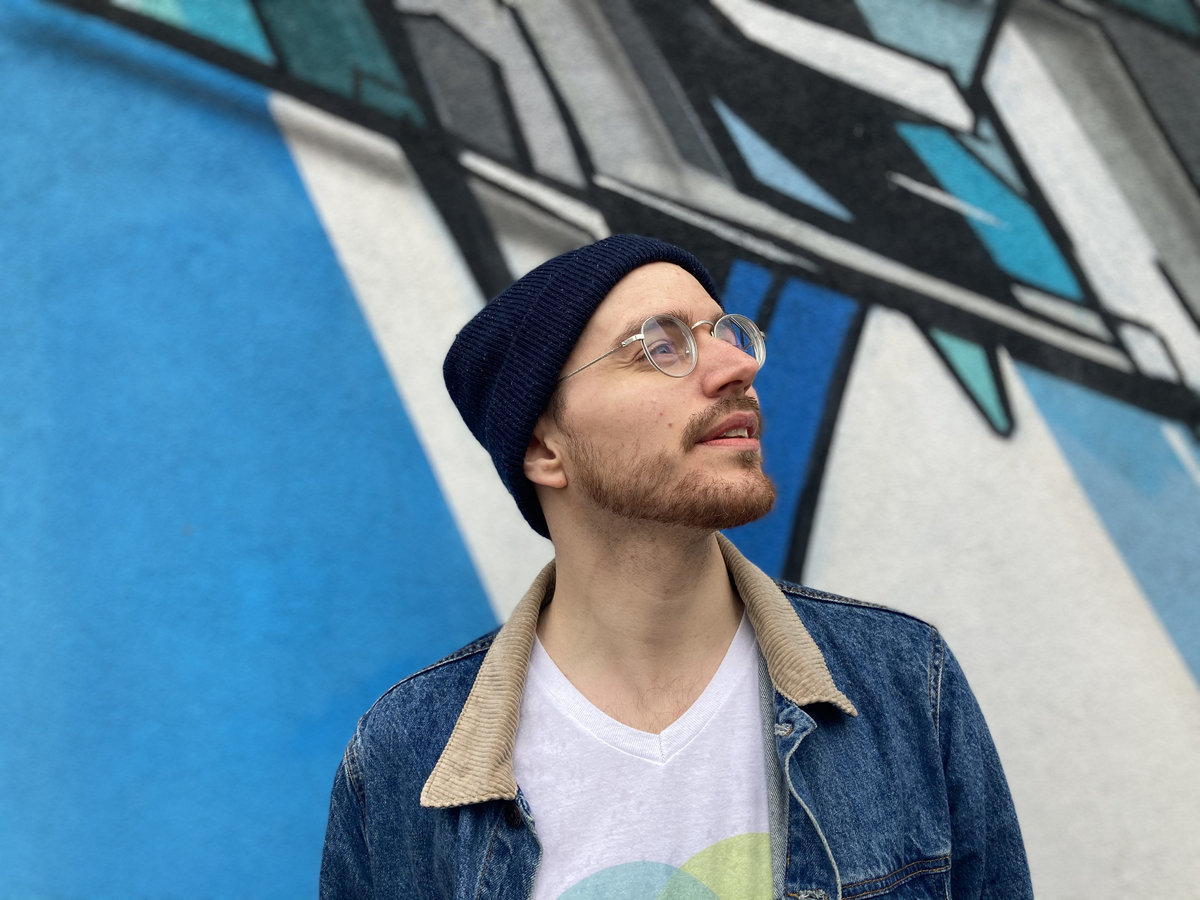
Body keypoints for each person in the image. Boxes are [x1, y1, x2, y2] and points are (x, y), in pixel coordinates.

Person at [319, 234, 1032, 899]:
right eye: (660, 346)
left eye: (727, 334)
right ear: (543, 449)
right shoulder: (403, 758)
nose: (738, 366)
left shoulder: (904, 681)